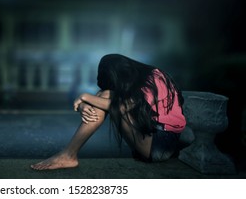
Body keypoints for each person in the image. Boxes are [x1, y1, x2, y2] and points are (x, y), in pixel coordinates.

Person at [31, 54, 186, 170]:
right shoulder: (141, 78)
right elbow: (104, 98)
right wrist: (83, 105)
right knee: (105, 96)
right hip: (153, 140)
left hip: (161, 145)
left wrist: (84, 97)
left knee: (111, 101)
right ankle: (68, 155)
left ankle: (68, 154)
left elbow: (122, 107)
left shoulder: (155, 79)